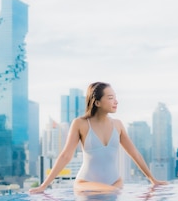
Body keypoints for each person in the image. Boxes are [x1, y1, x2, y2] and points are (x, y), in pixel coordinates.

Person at [30, 82, 167, 193]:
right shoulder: (80, 124)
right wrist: (43, 186)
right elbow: (66, 155)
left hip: (115, 182)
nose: (116, 101)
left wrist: (153, 180)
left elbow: (134, 154)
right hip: (86, 183)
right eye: (110, 98)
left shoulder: (118, 125)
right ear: (97, 103)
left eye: (115, 97)